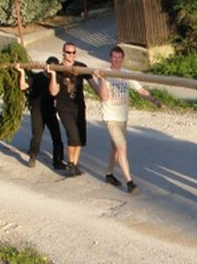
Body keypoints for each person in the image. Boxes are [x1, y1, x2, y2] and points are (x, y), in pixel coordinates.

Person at [92, 46, 162, 194]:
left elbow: (140, 90)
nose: (116, 60)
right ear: (110, 58)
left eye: (119, 57)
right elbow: (104, 97)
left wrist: (153, 100)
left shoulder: (127, 74)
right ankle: (130, 182)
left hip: (123, 118)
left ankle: (109, 175)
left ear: (123, 59)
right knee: (122, 148)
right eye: (114, 57)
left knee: (115, 148)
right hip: (110, 118)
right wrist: (102, 79)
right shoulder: (105, 73)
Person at [48, 42, 93, 177]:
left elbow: (93, 83)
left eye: (73, 52)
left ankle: (75, 164)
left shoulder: (81, 67)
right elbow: (53, 92)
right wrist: (53, 75)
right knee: (73, 136)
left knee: (80, 138)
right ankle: (71, 163)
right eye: (68, 52)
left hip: (79, 107)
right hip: (64, 107)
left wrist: (103, 93)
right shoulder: (58, 68)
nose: (71, 55)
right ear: (63, 53)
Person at [14, 57, 65, 170]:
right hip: (37, 111)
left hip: (50, 111)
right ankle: (32, 156)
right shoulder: (37, 77)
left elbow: (54, 92)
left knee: (56, 136)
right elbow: (22, 86)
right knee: (37, 135)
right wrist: (21, 72)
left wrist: (53, 75)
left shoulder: (57, 78)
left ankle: (58, 161)